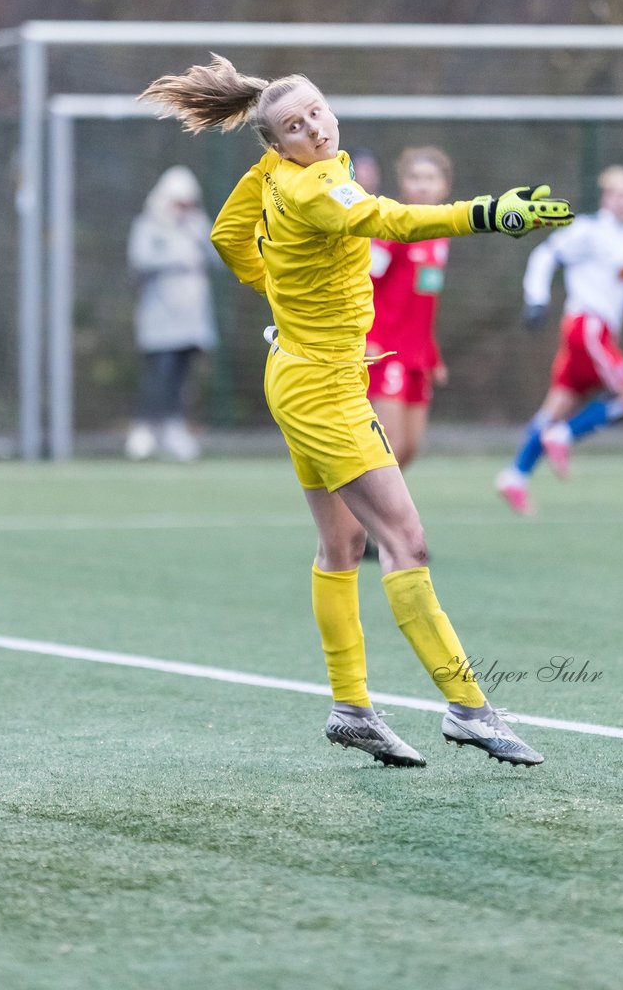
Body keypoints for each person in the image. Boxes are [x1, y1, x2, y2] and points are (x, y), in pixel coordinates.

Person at [140, 54, 573, 768]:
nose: (313, 127)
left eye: (316, 112)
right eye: (294, 125)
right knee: (407, 543)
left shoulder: (273, 173)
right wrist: (487, 213)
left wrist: (283, 297)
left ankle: (353, 709)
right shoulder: (312, 187)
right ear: (278, 143)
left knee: (342, 547)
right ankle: (469, 709)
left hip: (299, 374)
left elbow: (226, 237)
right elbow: (393, 221)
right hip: (326, 391)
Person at [496, 165, 623, 516]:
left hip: (596, 335)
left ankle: (515, 477)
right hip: (587, 328)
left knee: (553, 409)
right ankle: (565, 436)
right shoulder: (587, 230)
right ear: (605, 198)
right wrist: (536, 299)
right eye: (615, 193)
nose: (622, 200)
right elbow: (545, 256)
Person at [366, 146, 454, 469]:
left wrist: (433, 354)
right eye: (415, 177)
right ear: (403, 184)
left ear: (445, 187)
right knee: (390, 447)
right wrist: (366, 334)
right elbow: (365, 283)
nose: (422, 185)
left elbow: (424, 305)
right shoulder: (392, 228)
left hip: (417, 358)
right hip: (384, 351)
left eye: (431, 178)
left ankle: (376, 515)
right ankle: (353, 519)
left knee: (410, 450)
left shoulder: (440, 236)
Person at [124, 165, 217, 462]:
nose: (183, 209)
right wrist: (177, 258)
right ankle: (145, 431)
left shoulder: (196, 225)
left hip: (191, 322)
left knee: (181, 379)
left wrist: (199, 229)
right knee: (158, 376)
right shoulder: (149, 225)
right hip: (160, 321)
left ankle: (174, 431)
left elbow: (217, 256)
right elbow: (139, 259)